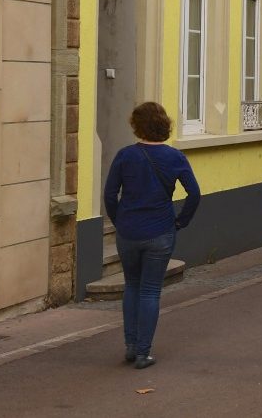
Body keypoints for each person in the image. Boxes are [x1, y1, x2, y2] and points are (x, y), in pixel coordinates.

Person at [103, 102, 201, 370]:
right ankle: (144, 353)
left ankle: (131, 347)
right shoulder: (175, 158)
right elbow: (194, 194)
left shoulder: (125, 156)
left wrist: (119, 220)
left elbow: (110, 195)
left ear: (137, 126)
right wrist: (180, 221)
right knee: (150, 291)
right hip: (160, 231)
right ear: (164, 125)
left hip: (128, 232)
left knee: (131, 286)